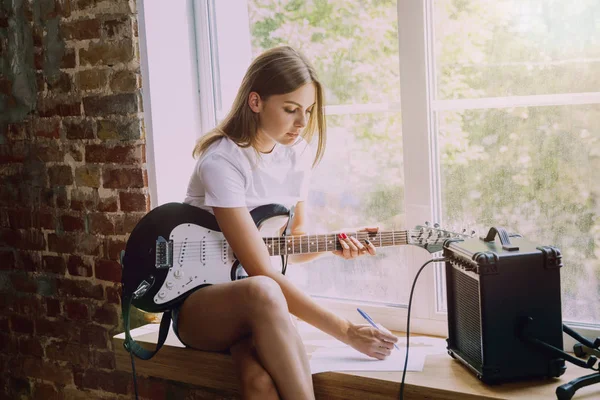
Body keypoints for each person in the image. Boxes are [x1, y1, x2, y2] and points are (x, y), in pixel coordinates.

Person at [174, 46, 398, 400]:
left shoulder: (297, 156)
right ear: (255, 102)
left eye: (307, 111)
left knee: (259, 383)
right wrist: (346, 332)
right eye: (291, 110)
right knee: (262, 289)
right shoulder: (222, 161)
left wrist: (334, 244)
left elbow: (291, 245)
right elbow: (261, 270)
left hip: (261, 308)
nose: (302, 123)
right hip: (200, 307)